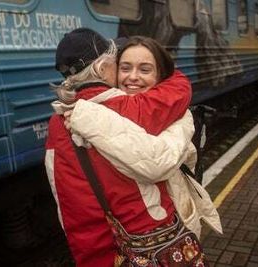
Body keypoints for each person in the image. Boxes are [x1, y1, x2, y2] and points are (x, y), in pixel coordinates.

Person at [45, 29, 218, 266]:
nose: (131, 76)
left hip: (109, 252)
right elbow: (177, 89)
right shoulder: (131, 108)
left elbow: (69, 211)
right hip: (158, 245)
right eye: (121, 65)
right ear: (104, 67)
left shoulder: (57, 123)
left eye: (144, 69)